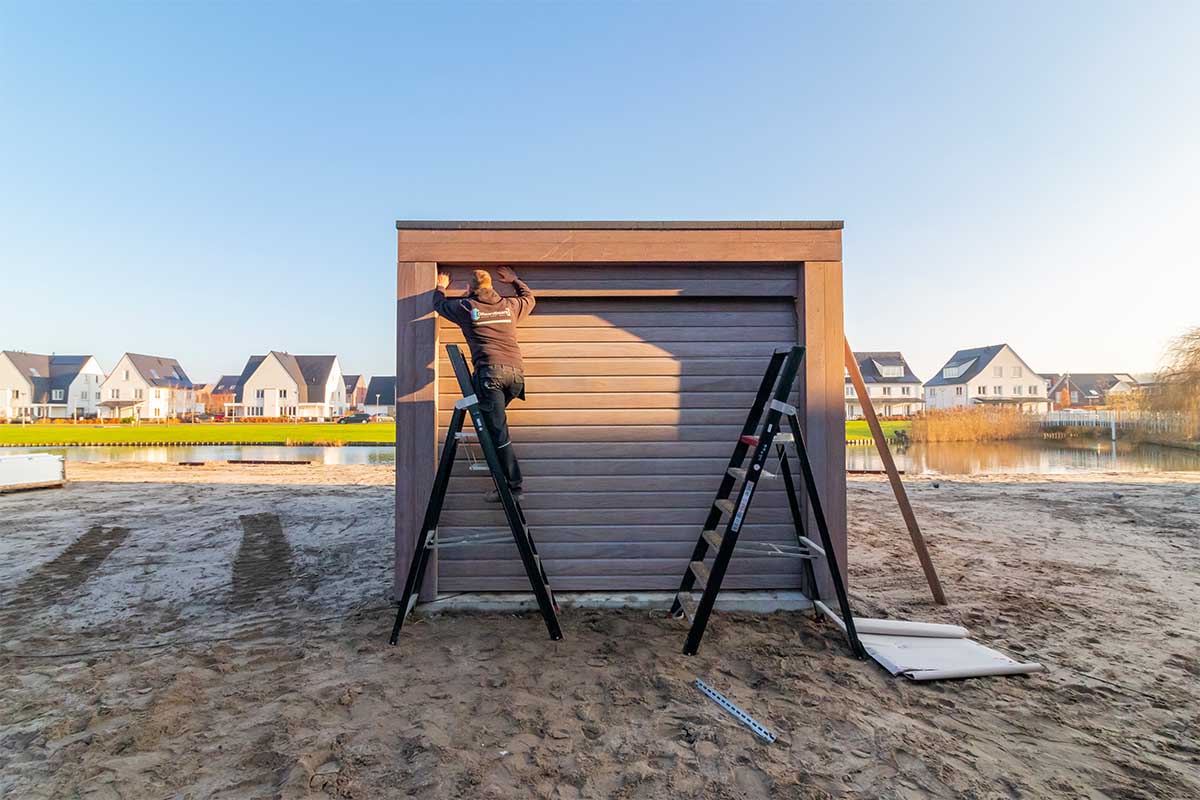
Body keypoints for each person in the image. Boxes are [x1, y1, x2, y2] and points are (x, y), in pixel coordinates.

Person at [433, 266, 534, 501]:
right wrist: (515, 280)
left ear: (469, 288)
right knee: (492, 426)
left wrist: (440, 287)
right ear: (492, 286)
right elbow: (529, 298)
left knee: (497, 432)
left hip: (490, 375)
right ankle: (506, 482)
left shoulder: (467, 307)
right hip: (515, 376)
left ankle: (513, 486)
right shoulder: (509, 306)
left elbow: (439, 305)